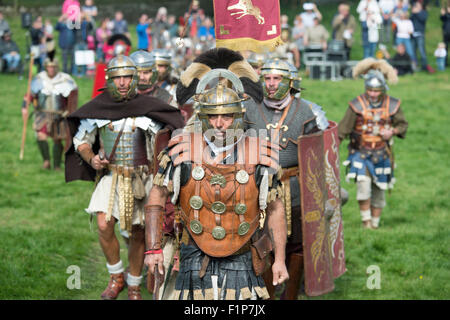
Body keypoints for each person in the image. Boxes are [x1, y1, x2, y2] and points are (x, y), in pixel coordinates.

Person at [144, 68, 289, 300]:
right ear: (202, 117)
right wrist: (153, 248)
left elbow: (275, 209)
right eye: (212, 116)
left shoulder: (260, 153)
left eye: (227, 116)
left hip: (242, 255)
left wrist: (279, 260)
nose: (219, 123)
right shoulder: (182, 150)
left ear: (238, 116)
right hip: (193, 251)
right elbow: (156, 197)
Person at [64, 55, 184, 300]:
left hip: (142, 178)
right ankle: (116, 275)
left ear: (134, 77)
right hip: (112, 176)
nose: (122, 82)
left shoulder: (149, 107)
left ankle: (133, 285)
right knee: (103, 224)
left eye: (127, 76)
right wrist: (92, 159)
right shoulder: (99, 107)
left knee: (139, 232)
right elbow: (81, 141)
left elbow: (166, 137)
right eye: (117, 77)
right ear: (109, 79)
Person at [244, 58, 337, 299]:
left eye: (277, 79)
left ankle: (291, 294)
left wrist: (322, 195)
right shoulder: (249, 108)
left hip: (294, 187)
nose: (271, 84)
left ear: (290, 82)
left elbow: (317, 158)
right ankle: (267, 296)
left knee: (297, 242)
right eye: (267, 78)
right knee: (262, 243)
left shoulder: (305, 111)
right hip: (258, 187)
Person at [338, 58, 408, 229]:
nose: (373, 94)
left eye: (376, 91)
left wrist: (392, 131)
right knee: (363, 187)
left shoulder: (393, 104)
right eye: (370, 90)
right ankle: (366, 223)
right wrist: (331, 145)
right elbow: (343, 129)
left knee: (379, 189)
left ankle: (375, 226)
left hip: (382, 153)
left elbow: (402, 124)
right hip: (360, 152)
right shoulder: (356, 104)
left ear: (383, 90)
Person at [23, 57, 78, 170]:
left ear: (57, 67)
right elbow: (29, 95)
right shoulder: (39, 79)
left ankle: (57, 165)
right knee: (41, 136)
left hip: (59, 114)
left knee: (57, 139)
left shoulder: (65, 79)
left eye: (53, 67)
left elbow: (73, 98)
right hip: (42, 114)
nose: (51, 69)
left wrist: (69, 112)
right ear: (46, 67)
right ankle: (46, 161)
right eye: (49, 67)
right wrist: (24, 107)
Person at [411, 2, 435, 73]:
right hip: (413, 35)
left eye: (418, 5)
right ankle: (415, 66)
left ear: (421, 6)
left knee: (422, 51)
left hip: (420, 34)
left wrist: (417, 13)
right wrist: (413, 13)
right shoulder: (414, 13)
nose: (416, 6)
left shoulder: (423, 12)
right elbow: (410, 20)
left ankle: (425, 66)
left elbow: (423, 19)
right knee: (413, 51)